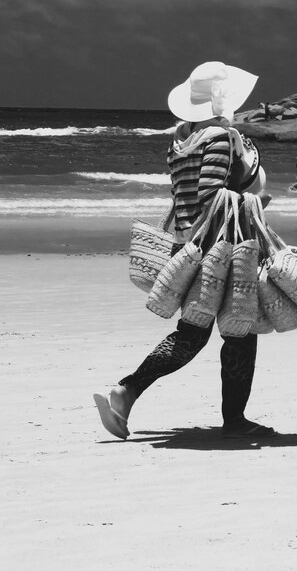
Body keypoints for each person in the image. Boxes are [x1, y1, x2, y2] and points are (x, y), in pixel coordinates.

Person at [93, 61, 275, 440]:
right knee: (237, 330)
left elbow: (183, 196)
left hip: (188, 244)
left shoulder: (180, 138)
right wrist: (255, 202)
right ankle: (230, 419)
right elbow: (211, 195)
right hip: (219, 247)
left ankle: (128, 392)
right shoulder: (219, 138)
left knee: (193, 333)